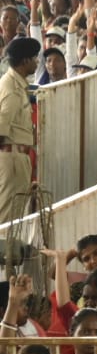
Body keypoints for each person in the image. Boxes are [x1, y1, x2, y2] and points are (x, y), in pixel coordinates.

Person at [0, 36, 38, 222]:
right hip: (12, 157)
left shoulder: (15, 84)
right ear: (25, 61)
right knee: (8, 216)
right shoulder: (11, 89)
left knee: (13, 214)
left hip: (15, 156)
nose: (37, 62)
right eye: (34, 58)